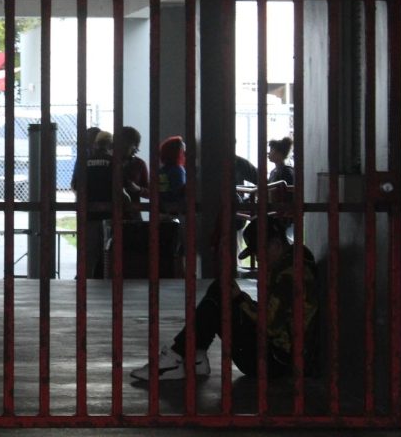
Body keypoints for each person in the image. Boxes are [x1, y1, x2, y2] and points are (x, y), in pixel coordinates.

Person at [132, 217, 317, 382]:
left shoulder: (290, 276)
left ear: (276, 245)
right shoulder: (289, 267)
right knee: (221, 291)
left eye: (259, 253)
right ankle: (192, 355)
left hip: (275, 362)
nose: (259, 259)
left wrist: (240, 299)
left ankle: (181, 357)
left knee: (221, 294)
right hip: (277, 354)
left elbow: (270, 323)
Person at [76, 130, 114, 279]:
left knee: (89, 252)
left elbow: (76, 184)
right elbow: (120, 188)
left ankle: (86, 280)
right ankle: (106, 280)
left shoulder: (84, 162)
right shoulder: (113, 162)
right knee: (109, 251)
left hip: (89, 213)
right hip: (110, 213)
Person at [116, 126, 149, 216]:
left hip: (132, 213)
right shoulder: (111, 162)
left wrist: (138, 189)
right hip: (118, 212)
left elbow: (150, 193)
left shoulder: (139, 164)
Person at [155, 135, 188, 213]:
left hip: (161, 209)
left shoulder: (161, 170)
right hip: (176, 210)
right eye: (183, 151)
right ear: (178, 153)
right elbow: (178, 191)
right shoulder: (178, 170)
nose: (185, 154)